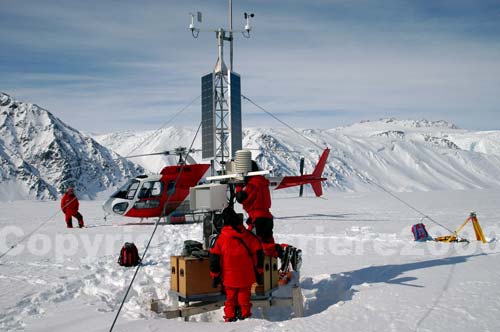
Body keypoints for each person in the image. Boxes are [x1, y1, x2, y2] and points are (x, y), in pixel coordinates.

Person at [209, 207, 264, 322]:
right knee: (244, 298)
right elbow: (258, 253)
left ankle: (230, 318)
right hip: (246, 276)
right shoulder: (248, 236)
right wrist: (259, 271)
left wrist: (215, 275)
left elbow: (214, 259)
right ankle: (245, 318)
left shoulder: (221, 238)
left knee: (230, 299)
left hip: (229, 277)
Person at [235, 161, 282, 258]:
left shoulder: (253, 183)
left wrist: (238, 187)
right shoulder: (262, 182)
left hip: (258, 219)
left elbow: (242, 198)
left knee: (253, 244)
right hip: (267, 217)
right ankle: (281, 256)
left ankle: (284, 251)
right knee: (268, 244)